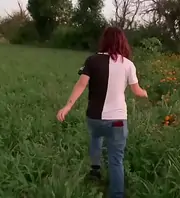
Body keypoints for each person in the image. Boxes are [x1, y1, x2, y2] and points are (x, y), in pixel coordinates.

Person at [56, 26, 148, 198]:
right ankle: (117, 194)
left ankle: (95, 169)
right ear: (122, 42)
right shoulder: (129, 65)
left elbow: (81, 85)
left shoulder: (92, 61)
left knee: (96, 137)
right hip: (118, 120)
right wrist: (144, 93)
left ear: (104, 41)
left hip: (95, 118)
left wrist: (68, 106)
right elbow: (137, 91)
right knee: (116, 160)